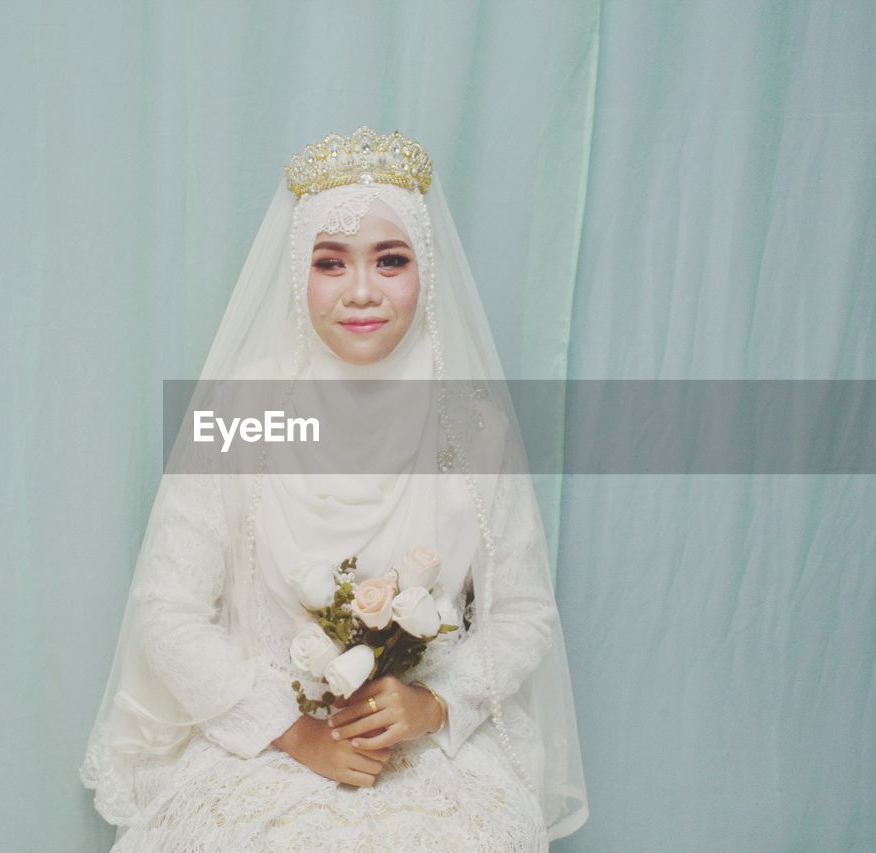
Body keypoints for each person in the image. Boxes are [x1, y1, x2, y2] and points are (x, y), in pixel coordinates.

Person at [80, 126, 588, 851]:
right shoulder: (241, 413)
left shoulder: (469, 424)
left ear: (427, 270)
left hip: (425, 747)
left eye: (390, 260)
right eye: (330, 262)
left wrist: (434, 702)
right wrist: (295, 731)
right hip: (264, 739)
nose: (360, 291)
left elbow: (525, 611)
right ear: (298, 272)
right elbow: (168, 608)